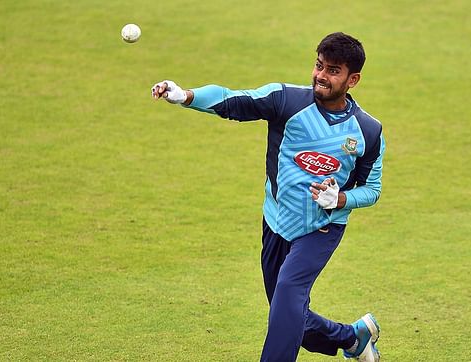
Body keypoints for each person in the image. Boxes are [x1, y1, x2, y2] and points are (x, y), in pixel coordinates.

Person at [151, 32, 385, 362]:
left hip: (321, 228)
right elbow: (233, 100)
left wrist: (342, 200)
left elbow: (372, 189)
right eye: (319, 65)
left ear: (353, 79)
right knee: (286, 313)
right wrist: (186, 95)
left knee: (289, 295)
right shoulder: (285, 101)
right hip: (276, 221)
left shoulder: (367, 131)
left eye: (333, 70)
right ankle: (353, 338)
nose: (321, 75)